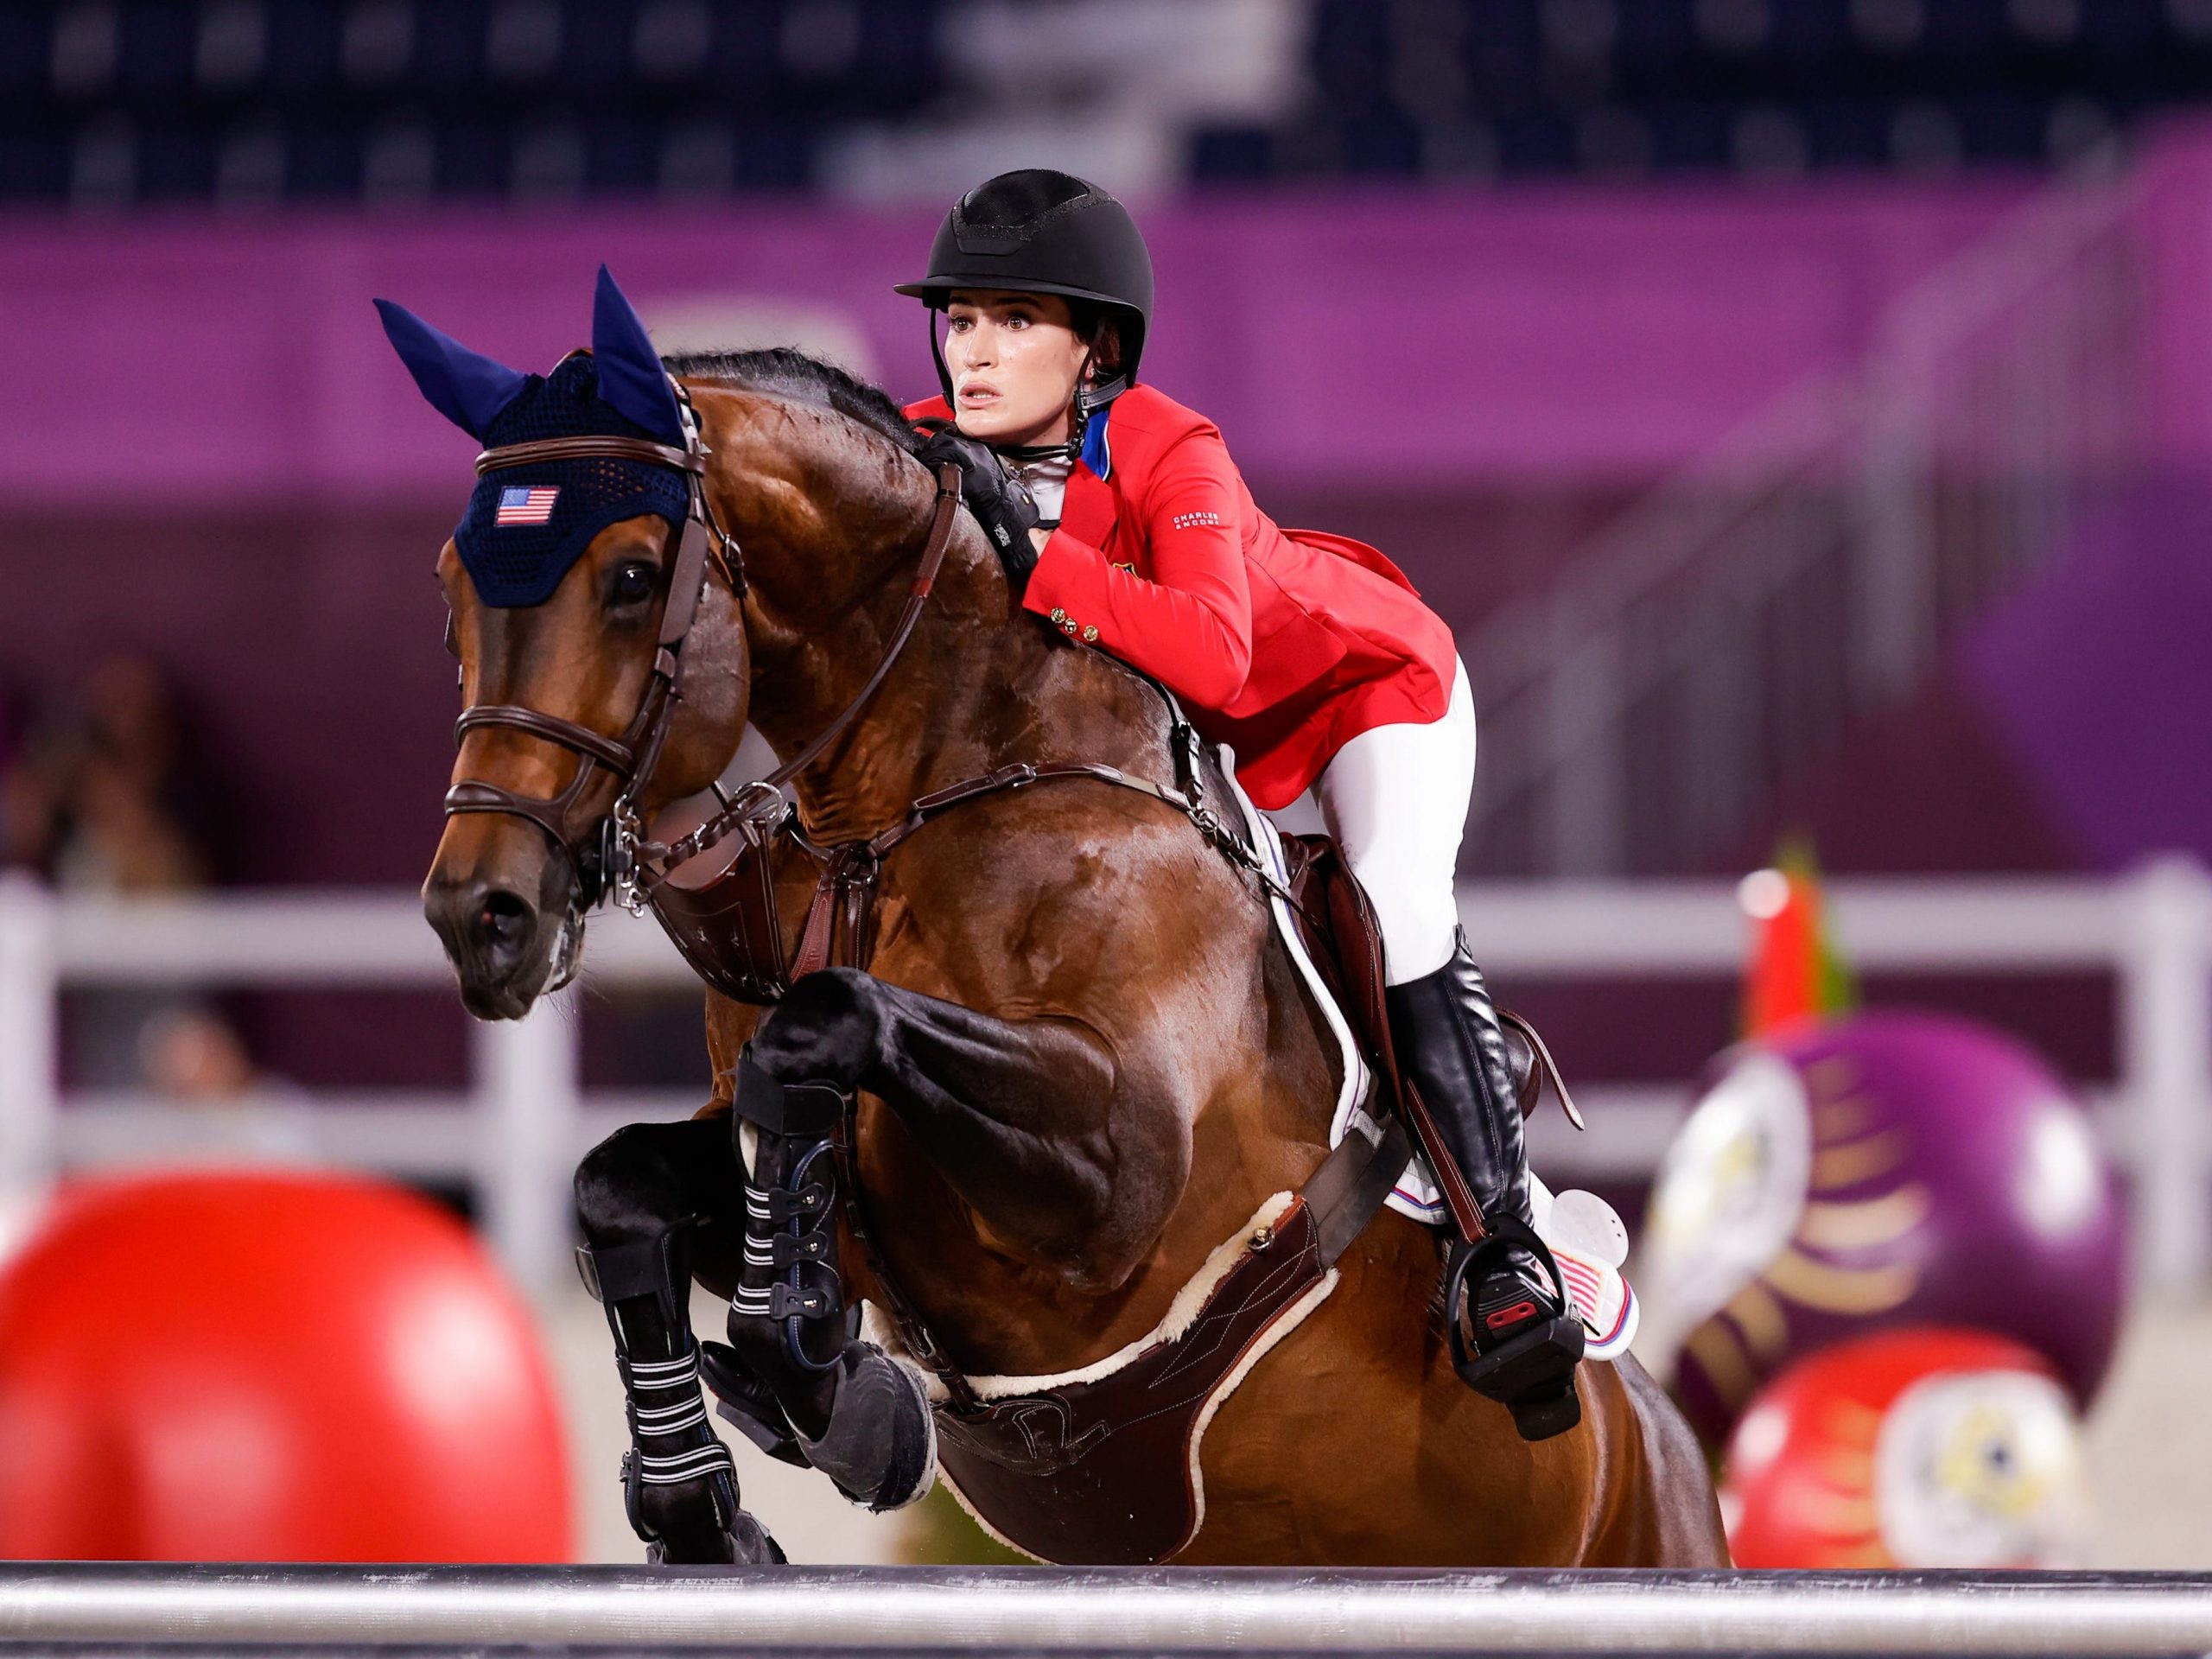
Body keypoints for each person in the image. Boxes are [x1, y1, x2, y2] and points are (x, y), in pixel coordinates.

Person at [894, 169, 1583, 1439]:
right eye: (959, 320)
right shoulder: (930, 445)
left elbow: (1213, 655)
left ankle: (1504, 1247)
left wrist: (1039, 560)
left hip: (1361, 693)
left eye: (1011, 320)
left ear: (1094, 347)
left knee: (1390, 906)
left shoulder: (1170, 444)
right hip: (1195, 754)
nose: (972, 352)